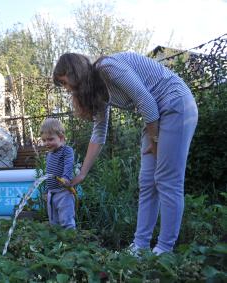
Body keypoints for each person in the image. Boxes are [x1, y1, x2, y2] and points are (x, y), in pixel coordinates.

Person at [53, 52, 198, 255]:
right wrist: (83, 173)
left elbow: (145, 100)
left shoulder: (108, 68)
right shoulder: (98, 89)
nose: (67, 89)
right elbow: (99, 133)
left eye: (64, 82)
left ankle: (164, 250)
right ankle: (140, 247)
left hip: (175, 104)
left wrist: (155, 140)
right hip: (154, 116)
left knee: (167, 180)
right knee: (147, 182)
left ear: (73, 71)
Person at [40, 118, 76, 229]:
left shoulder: (67, 150)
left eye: (50, 139)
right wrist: (47, 190)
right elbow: (48, 174)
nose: (47, 143)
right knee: (54, 222)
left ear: (61, 138)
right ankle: (58, 243)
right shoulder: (50, 154)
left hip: (63, 192)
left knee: (66, 220)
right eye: (44, 140)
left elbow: (68, 164)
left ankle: (71, 241)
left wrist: (65, 177)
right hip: (52, 193)